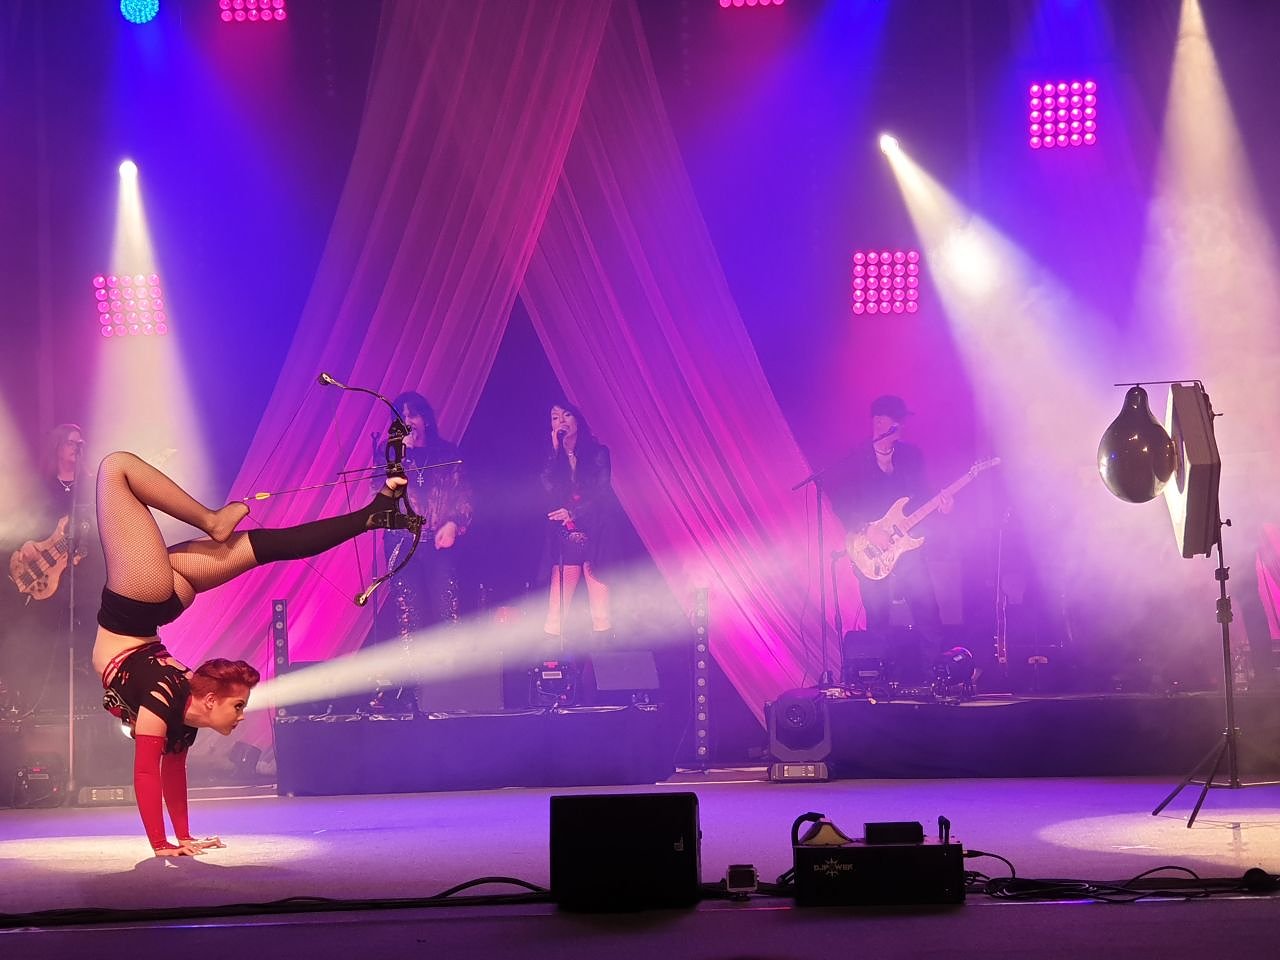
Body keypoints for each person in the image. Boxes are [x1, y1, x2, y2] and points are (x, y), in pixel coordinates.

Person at [91, 450, 408, 857]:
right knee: (269, 545)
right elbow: (169, 772)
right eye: (240, 706)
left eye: (238, 706)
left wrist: (165, 844)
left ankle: (217, 520)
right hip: (153, 607)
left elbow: (148, 774)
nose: (242, 716)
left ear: (209, 699)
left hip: (135, 607)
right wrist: (174, 840)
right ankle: (371, 515)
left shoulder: (162, 698)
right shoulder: (182, 704)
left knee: (116, 466)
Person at [827, 395, 951, 679]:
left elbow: (923, 495)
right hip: (869, 547)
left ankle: (935, 678)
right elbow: (841, 503)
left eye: (902, 421)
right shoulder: (854, 459)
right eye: (897, 421)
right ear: (879, 422)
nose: (901, 427)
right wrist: (868, 529)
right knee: (878, 617)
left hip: (908, 546)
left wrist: (941, 505)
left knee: (927, 611)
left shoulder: (911, 456)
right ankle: (883, 683)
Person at [366, 392, 473, 707]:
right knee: (409, 614)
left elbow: (464, 495)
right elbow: (378, 495)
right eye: (401, 417)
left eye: (412, 415)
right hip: (402, 542)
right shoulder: (389, 455)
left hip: (439, 541)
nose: (407, 422)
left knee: (445, 608)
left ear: (425, 418)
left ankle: (450, 686)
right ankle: (413, 692)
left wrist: (453, 523)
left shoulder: (447, 452)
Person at [540, 401, 620, 643]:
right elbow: (548, 489)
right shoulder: (554, 458)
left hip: (597, 528)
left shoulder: (598, 453)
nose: (561, 422)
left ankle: (604, 654)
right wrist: (555, 452)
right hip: (568, 533)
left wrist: (573, 513)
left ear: (577, 420)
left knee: (600, 609)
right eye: (555, 418)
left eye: (566, 415)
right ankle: (553, 657)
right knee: (557, 609)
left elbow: (601, 493)